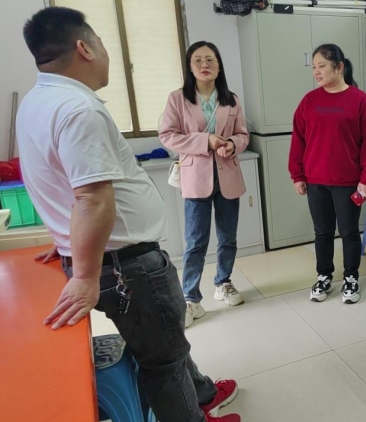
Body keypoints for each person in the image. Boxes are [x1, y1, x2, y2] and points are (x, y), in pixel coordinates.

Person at [17, 8, 240, 422]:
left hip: (112, 253)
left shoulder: (38, 101)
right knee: (163, 358)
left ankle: (203, 392)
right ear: (84, 48)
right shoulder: (79, 109)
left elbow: (52, 180)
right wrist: (84, 274)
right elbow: (91, 198)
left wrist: (66, 240)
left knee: (165, 339)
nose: (106, 52)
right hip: (126, 264)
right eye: (102, 43)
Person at [160, 41, 249, 328]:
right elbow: (167, 135)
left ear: (219, 66)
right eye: (197, 60)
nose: (204, 65)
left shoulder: (231, 99)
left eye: (210, 59)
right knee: (196, 241)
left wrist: (232, 144)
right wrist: (205, 141)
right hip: (196, 178)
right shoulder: (178, 99)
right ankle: (191, 299)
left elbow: (243, 134)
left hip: (228, 175)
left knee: (228, 237)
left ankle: (223, 282)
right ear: (190, 67)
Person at [288, 44, 366, 304]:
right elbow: (298, 140)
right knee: (322, 233)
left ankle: (351, 278)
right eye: (313, 67)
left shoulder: (359, 100)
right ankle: (324, 276)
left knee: (349, 232)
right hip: (316, 181)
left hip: (348, 182)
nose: (316, 72)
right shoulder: (309, 101)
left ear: (339, 67)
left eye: (322, 66)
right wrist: (297, 174)